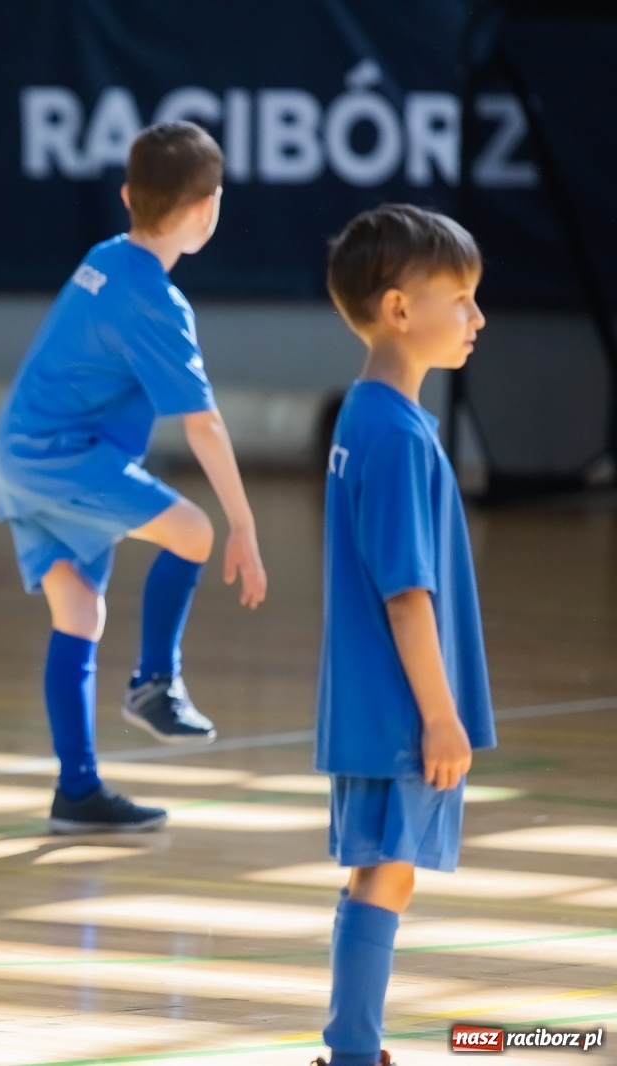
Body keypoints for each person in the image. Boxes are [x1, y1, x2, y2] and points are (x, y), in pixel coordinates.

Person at [0, 120, 268, 834]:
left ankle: (77, 792)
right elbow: (202, 423)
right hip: (62, 456)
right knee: (195, 532)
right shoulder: (157, 302)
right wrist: (243, 524)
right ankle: (155, 684)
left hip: (20, 452)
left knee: (78, 614)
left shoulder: (105, 257)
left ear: (126, 196)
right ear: (208, 209)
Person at [309, 204, 495, 1066]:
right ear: (397, 309)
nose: (476, 316)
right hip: (398, 712)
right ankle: (352, 1051)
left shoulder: (372, 416)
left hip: (379, 707)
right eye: (459, 296)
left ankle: (355, 1047)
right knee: (388, 870)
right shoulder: (393, 433)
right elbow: (407, 597)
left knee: (384, 868)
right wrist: (441, 714)